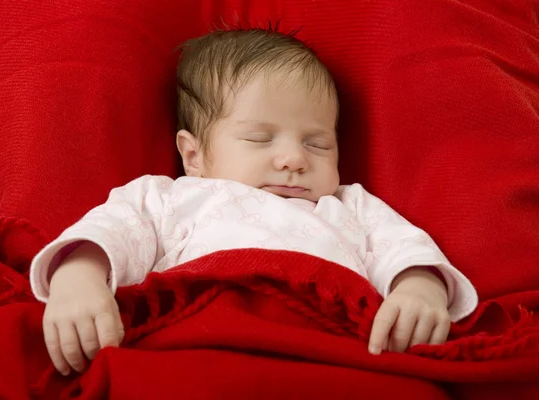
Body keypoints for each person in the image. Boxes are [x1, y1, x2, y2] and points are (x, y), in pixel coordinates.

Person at [30, 28, 478, 376]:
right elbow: (112, 230)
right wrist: (79, 280)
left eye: (319, 144)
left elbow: (406, 249)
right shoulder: (171, 197)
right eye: (259, 139)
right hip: (200, 341)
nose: (294, 159)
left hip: (331, 349)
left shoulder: (348, 205)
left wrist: (420, 288)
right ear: (194, 155)